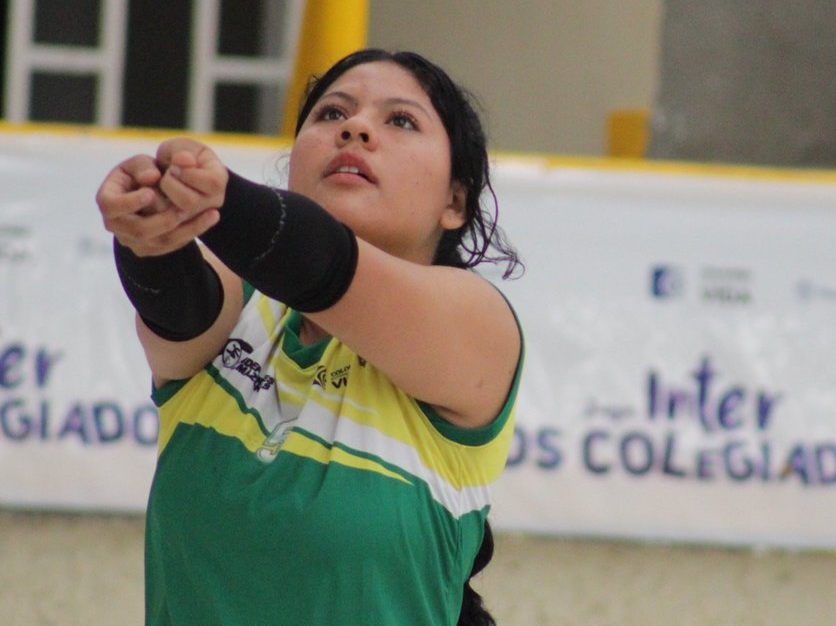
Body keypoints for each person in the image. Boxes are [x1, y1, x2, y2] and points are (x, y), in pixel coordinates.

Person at [95, 49, 523, 626]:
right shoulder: (242, 306)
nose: (355, 127)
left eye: (401, 120)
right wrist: (150, 230)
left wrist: (219, 200)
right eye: (331, 114)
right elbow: (178, 302)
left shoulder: (476, 324)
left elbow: (322, 263)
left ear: (455, 201)